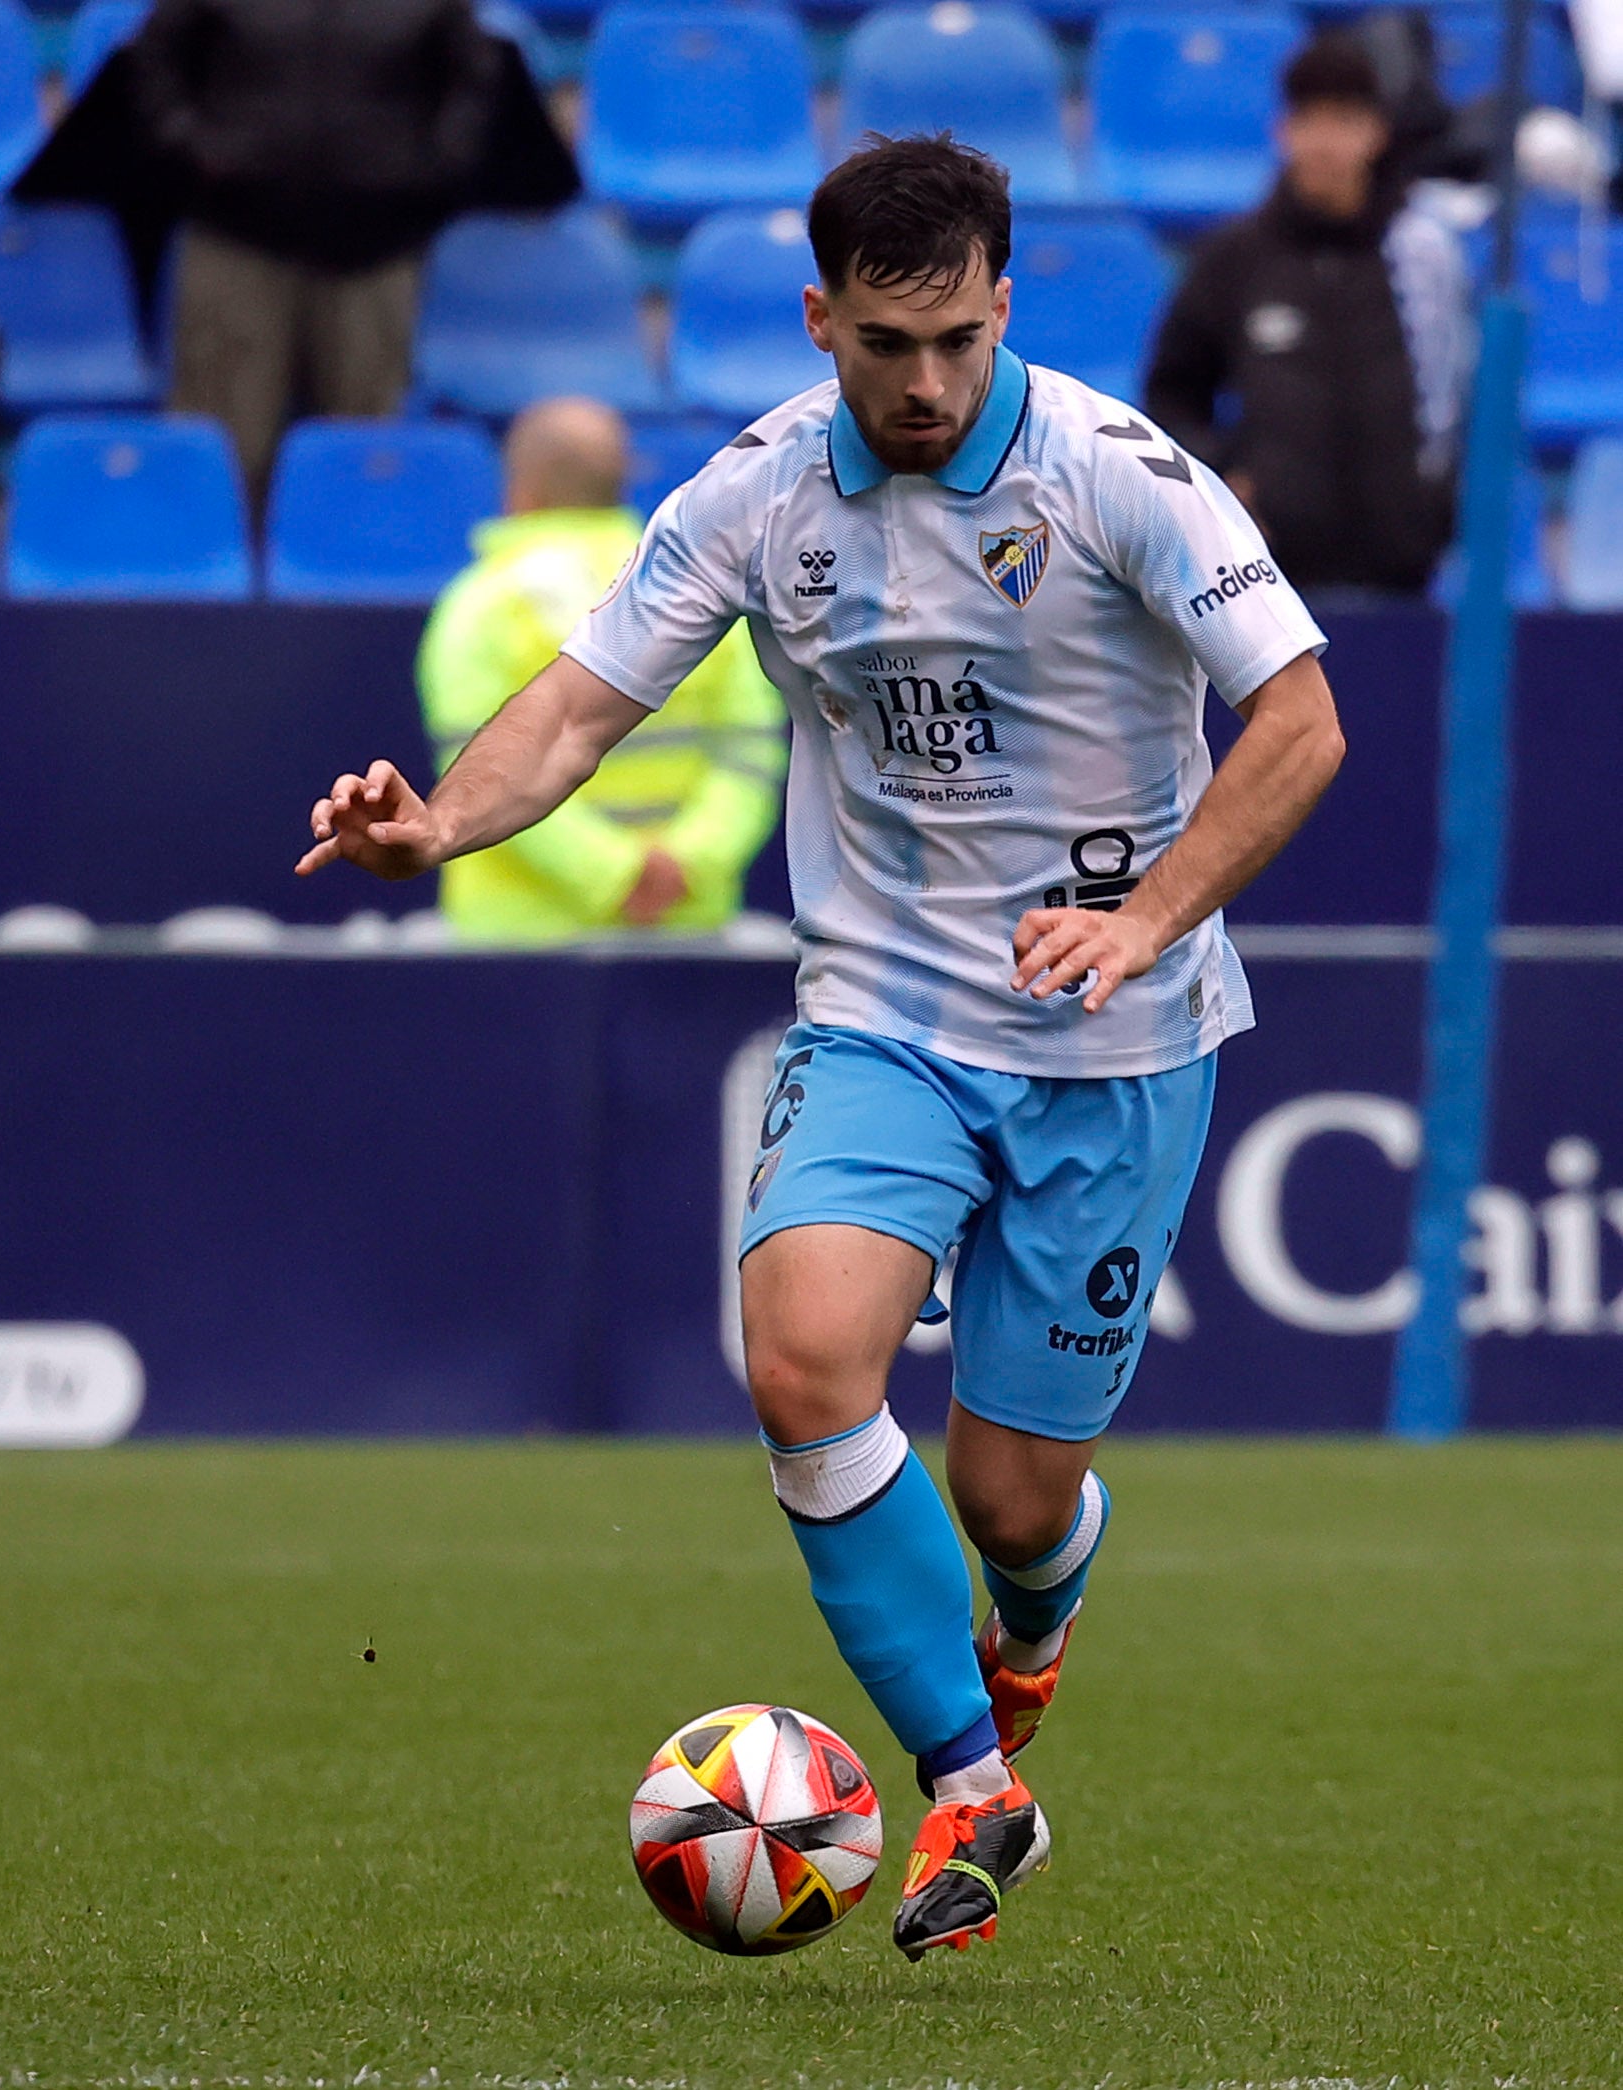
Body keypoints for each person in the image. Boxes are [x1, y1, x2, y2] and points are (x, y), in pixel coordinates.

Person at [298, 136, 1344, 1958]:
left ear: (1001, 303)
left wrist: (1145, 914)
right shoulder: (757, 493)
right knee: (796, 1362)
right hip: (881, 1013)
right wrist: (439, 826)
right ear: (817, 321)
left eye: (952, 338)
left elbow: (1300, 722)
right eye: (881, 343)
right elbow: (572, 707)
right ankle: (970, 1784)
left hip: (1119, 1034)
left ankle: (1034, 1603)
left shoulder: (1116, 475)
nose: (923, 383)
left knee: (1009, 1503)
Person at [417, 398, 786, 940]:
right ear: (622, 482)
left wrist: (612, 875)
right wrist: (683, 865)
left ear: (520, 491)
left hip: (515, 939)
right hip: (687, 924)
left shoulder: (478, 607)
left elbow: (476, 778)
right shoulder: (702, 594)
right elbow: (750, 754)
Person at [125, 0, 503, 499]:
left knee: (365, 449)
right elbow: (151, 59)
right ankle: (217, 567)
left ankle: (353, 564)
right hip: (237, 237)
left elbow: (474, 78)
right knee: (223, 446)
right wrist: (194, 149)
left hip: (375, 247)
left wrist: (428, 169)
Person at [1144, 35, 1471, 600]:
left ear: (1376, 133)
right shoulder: (1234, 258)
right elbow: (1171, 392)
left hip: (1404, 581)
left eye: (1344, 120)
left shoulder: (1421, 256)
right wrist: (1226, 479)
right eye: (1309, 120)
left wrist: (1433, 510)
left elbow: (1462, 394)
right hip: (1271, 585)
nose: (1325, 142)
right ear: (1284, 131)